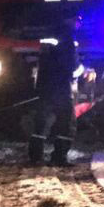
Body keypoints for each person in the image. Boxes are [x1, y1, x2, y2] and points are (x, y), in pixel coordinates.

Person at [28, 14, 80, 166]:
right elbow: (72, 66)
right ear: (70, 20)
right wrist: (83, 71)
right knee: (66, 123)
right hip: (61, 88)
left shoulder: (48, 35)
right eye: (78, 20)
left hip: (44, 86)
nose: (79, 24)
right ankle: (59, 157)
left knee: (41, 123)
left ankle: (35, 157)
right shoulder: (67, 37)